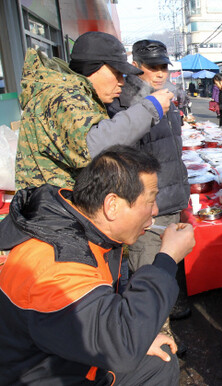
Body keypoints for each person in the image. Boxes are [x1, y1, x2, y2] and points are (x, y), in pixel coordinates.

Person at [0, 145, 196, 385]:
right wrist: (167, 258)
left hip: (66, 356)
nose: (155, 211)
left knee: (159, 362)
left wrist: (137, 337)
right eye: (150, 200)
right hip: (45, 375)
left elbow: (105, 320)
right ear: (112, 205)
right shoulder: (58, 263)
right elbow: (121, 343)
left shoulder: (82, 228)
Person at [15, 31, 173, 190]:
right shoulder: (62, 96)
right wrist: (150, 108)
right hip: (53, 210)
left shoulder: (72, 94)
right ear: (93, 67)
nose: (121, 82)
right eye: (117, 73)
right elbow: (94, 145)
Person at [106, 40, 191, 325]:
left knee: (169, 264)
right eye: (152, 67)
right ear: (137, 66)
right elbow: (122, 156)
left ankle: (170, 307)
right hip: (148, 206)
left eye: (163, 66)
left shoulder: (167, 98)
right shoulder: (126, 103)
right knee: (147, 274)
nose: (159, 72)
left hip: (173, 198)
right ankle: (153, 340)